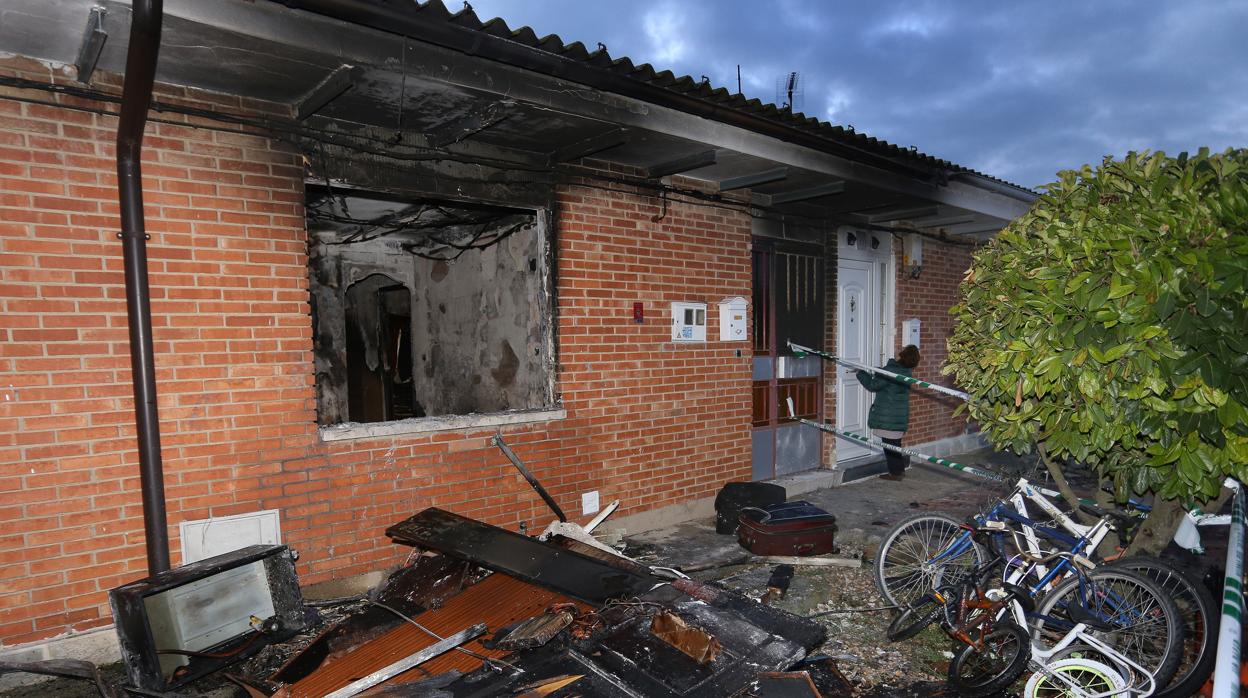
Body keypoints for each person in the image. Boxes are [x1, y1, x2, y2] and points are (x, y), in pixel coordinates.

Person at [855, 345, 921, 481]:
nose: (898, 348)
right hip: (898, 415)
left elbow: (873, 385)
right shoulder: (906, 371)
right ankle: (898, 471)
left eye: (901, 349)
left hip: (888, 415)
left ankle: (896, 473)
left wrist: (860, 373)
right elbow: (885, 376)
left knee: (890, 446)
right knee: (895, 445)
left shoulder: (892, 370)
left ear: (902, 355)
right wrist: (877, 371)